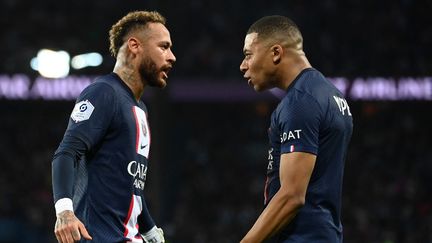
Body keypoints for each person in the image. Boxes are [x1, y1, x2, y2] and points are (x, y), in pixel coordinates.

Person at [51, 10, 176, 243]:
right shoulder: (104, 93)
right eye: (164, 47)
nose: (172, 56)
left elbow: (132, 186)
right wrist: (65, 211)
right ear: (134, 45)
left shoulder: (139, 108)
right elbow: (67, 152)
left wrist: (151, 232)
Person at [239, 15, 353, 242]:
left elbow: (292, 195)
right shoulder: (332, 95)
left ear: (276, 53)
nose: (243, 65)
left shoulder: (300, 101)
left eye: (248, 55)